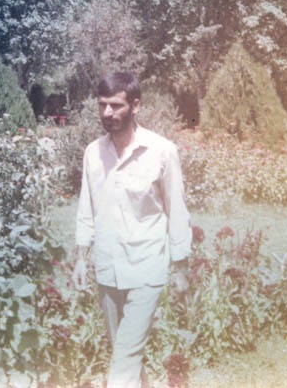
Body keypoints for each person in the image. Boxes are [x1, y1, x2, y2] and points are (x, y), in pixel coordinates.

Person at [72, 72, 192, 388]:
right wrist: (81, 257)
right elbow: (86, 207)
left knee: (124, 357)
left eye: (115, 105)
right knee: (124, 354)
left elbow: (177, 210)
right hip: (107, 267)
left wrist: (181, 267)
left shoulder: (162, 151)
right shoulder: (93, 153)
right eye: (102, 105)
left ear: (135, 106)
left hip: (146, 267)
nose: (107, 113)